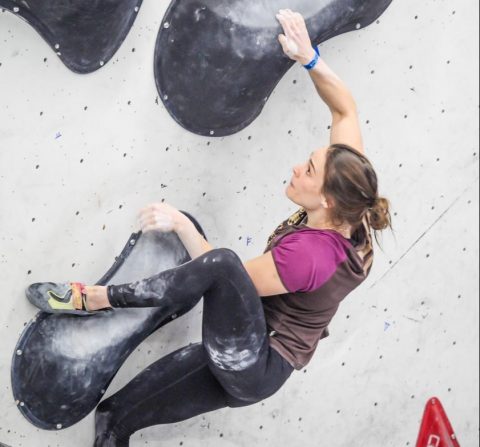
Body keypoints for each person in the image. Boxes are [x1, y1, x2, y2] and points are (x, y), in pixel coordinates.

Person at [26, 9, 392, 446]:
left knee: (222, 263)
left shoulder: (311, 256)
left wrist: (181, 225)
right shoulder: (349, 198)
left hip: (251, 361)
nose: (297, 168)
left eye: (308, 170)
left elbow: (223, 277)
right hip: (247, 350)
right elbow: (344, 107)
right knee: (115, 418)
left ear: (327, 199)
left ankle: (94, 300)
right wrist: (309, 58)